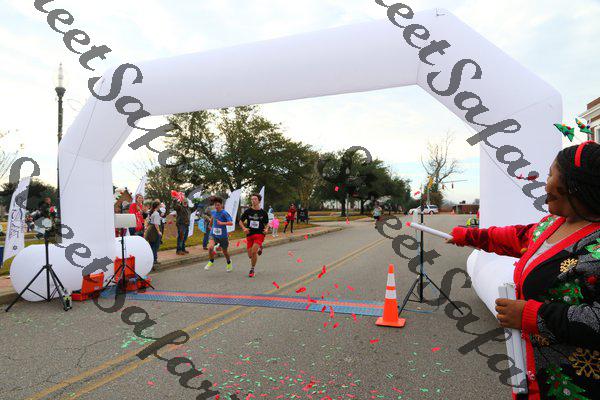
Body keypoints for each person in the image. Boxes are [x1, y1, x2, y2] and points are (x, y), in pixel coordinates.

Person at [447, 141, 600, 399]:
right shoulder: (551, 225)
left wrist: (532, 315)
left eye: (550, 175)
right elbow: (516, 237)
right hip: (533, 377)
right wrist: (467, 236)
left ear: (572, 184)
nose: (545, 184)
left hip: (577, 388)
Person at [239, 193, 269, 278]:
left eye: (255, 199)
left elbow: (267, 223)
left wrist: (266, 229)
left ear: (259, 201)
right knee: (250, 255)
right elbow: (240, 221)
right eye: (252, 199)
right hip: (250, 234)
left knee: (253, 252)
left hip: (259, 234)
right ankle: (260, 247)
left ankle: (252, 269)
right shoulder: (248, 211)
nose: (253, 201)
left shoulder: (263, 212)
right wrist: (244, 228)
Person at [204, 197, 234, 272]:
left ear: (221, 205)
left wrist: (221, 223)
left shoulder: (224, 213)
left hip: (223, 236)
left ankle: (229, 262)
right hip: (213, 234)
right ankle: (211, 261)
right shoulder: (213, 212)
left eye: (218, 205)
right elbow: (212, 218)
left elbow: (231, 223)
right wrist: (210, 225)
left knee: (225, 252)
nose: (216, 206)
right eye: (215, 205)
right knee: (210, 248)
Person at [144, 199, 162, 265]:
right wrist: (159, 231)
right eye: (159, 205)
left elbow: (147, 220)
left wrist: (146, 227)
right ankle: (154, 260)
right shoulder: (156, 213)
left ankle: (151, 259)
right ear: (157, 206)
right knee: (155, 246)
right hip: (154, 230)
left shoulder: (151, 212)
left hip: (150, 229)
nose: (160, 206)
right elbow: (156, 224)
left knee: (152, 245)